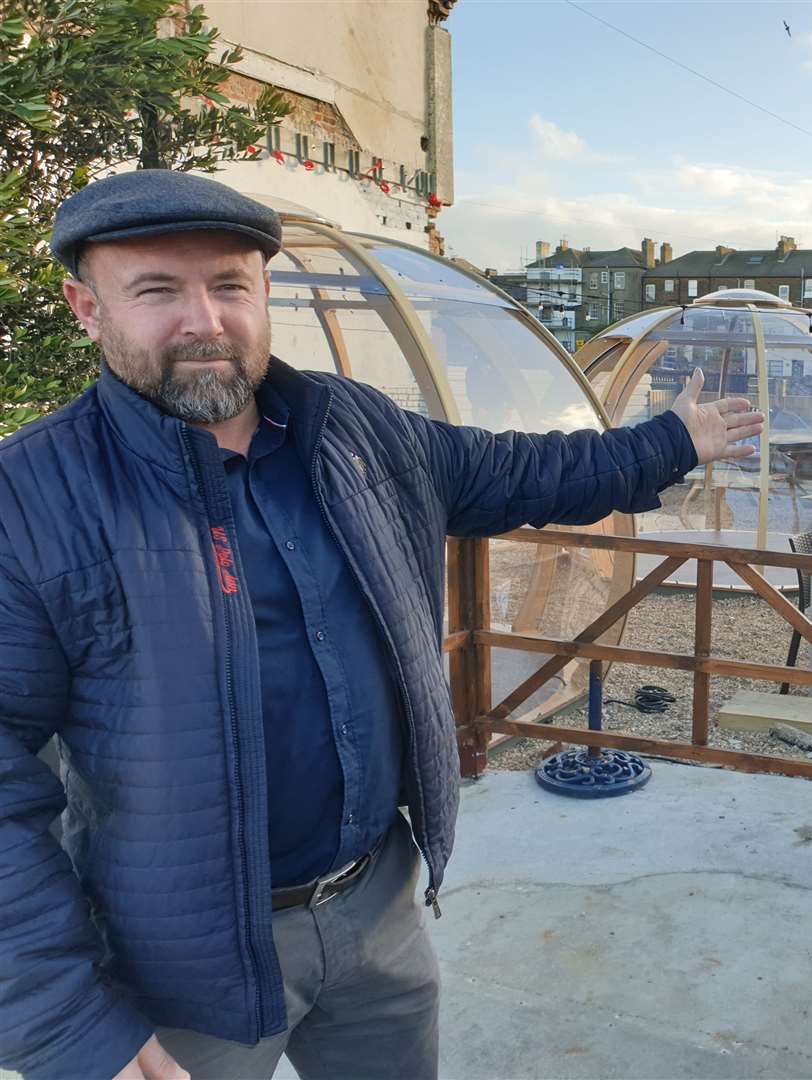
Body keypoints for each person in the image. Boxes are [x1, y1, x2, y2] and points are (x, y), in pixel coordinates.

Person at [0, 171, 763, 1080]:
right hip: (180, 968)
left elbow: (512, 472)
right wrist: (74, 1030)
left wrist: (667, 441)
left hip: (376, 909)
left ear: (264, 293)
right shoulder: (30, 498)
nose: (203, 320)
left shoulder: (350, 430)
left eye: (229, 286)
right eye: (157, 290)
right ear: (87, 308)